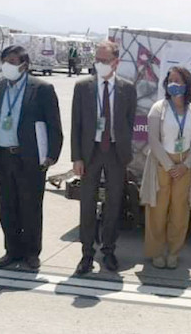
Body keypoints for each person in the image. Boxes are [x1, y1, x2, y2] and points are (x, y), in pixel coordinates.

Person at [0, 45, 63, 270]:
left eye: (12, 61)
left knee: (31, 207)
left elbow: (54, 123)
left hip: (29, 156)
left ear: (24, 65)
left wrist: (52, 155)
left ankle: (32, 252)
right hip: (2, 156)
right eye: (5, 61)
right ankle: (12, 250)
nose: (7, 66)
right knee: (7, 206)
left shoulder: (42, 88)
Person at [71, 41, 137, 275]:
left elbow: (129, 122)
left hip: (116, 152)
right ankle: (87, 253)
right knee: (87, 203)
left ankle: (108, 250)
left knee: (114, 203)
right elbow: (76, 124)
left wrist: (124, 151)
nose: (100, 64)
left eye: (105, 60)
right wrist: (77, 157)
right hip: (91, 152)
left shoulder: (127, 88)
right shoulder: (83, 87)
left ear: (116, 62)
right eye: (97, 60)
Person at [140, 66, 191, 269]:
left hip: (184, 167)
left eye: (178, 80)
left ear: (187, 85)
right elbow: (153, 139)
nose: (173, 84)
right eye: (170, 81)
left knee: (179, 211)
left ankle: (174, 251)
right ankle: (156, 252)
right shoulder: (158, 108)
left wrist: (185, 165)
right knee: (157, 210)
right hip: (161, 164)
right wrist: (169, 165)